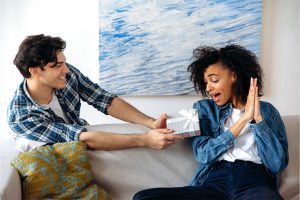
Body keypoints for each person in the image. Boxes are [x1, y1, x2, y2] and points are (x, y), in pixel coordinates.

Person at [133, 44, 288, 200]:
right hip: (215, 184)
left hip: (255, 183)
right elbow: (204, 154)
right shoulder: (204, 109)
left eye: (214, 80)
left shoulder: (268, 111)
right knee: (143, 198)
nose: (208, 88)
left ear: (233, 76)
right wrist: (244, 119)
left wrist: (257, 120)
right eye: (206, 83)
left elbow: (277, 164)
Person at [7, 34, 181, 151]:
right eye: (57, 65)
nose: (66, 70)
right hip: (61, 151)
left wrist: (151, 123)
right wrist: (144, 140)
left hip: (80, 135)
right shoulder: (21, 115)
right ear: (35, 71)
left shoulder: (66, 75)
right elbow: (81, 138)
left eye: (64, 62)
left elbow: (103, 99)